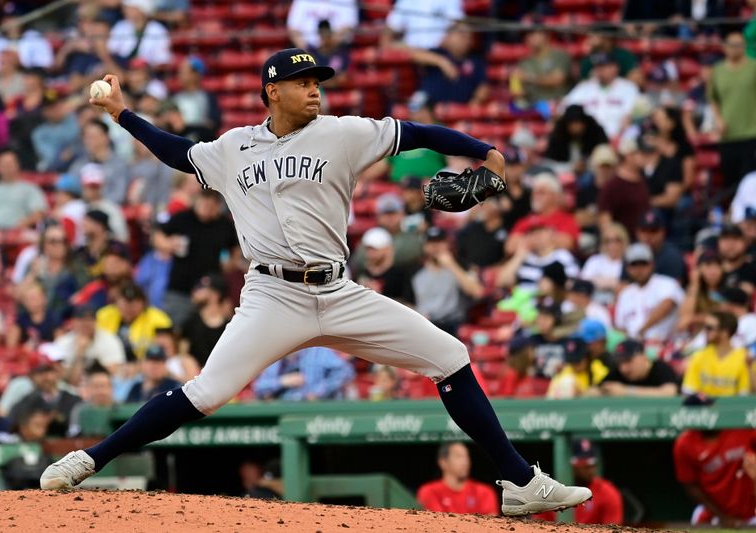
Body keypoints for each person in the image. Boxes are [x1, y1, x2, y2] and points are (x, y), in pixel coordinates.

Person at [41, 48, 592, 517]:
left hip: (338, 291)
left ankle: (519, 483)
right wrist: (122, 113)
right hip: (271, 295)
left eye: (317, 83)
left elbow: (416, 132)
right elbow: (178, 153)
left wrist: (485, 152)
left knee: (450, 355)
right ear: (271, 92)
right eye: (302, 83)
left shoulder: (344, 134)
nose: (314, 92)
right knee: (206, 392)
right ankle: (91, 458)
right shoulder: (233, 148)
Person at [155, 189, 237, 326]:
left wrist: (230, 264)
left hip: (210, 292)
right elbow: (158, 235)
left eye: (210, 206)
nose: (206, 209)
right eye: (203, 204)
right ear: (196, 201)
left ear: (217, 206)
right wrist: (168, 244)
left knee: (208, 331)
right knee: (175, 326)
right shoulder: (183, 218)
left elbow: (235, 248)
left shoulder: (225, 225)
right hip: (180, 288)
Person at [673, 395, 756, 528]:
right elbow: (690, 485)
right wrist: (722, 517)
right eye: (707, 410)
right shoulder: (684, 443)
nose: (714, 412)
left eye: (712, 407)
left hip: (752, 512)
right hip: (713, 514)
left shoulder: (741, 427)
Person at [412, 226, 484, 335]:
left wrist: (451, 265)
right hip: (425, 324)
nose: (435, 246)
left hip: (452, 324)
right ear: (425, 246)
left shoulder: (461, 265)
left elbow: (477, 292)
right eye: (431, 242)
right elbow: (409, 301)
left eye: (439, 242)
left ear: (447, 244)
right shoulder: (415, 271)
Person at [708, 31, 756, 189]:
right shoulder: (717, 71)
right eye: (731, 44)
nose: (735, 48)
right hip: (727, 136)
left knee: (748, 184)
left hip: (751, 134)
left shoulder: (753, 67)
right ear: (724, 47)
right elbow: (712, 98)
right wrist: (718, 119)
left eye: (738, 44)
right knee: (731, 184)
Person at [614, 243, 685, 343]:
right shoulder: (625, 294)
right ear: (628, 268)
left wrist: (640, 331)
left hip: (665, 343)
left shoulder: (667, 283)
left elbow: (667, 305)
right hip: (635, 348)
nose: (639, 269)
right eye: (634, 265)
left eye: (643, 264)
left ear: (652, 264)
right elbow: (620, 327)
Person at [562, 52, 641, 141]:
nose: (599, 69)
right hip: (588, 139)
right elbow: (564, 108)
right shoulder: (584, 88)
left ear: (615, 67)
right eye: (597, 66)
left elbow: (631, 116)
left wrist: (618, 138)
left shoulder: (628, 88)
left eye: (603, 66)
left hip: (619, 138)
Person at [410, 21, 489, 105]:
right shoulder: (438, 53)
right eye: (462, 35)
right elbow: (413, 55)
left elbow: (483, 87)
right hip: (430, 106)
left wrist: (473, 105)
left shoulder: (475, 62)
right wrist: (441, 62)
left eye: (469, 37)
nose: (466, 40)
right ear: (449, 36)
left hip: (459, 111)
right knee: (416, 104)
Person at [8, 354, 83, 438]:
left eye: (49, 371)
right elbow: (12, 425)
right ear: (32, 377)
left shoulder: (72, 400)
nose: (46, 377)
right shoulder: (25, 402)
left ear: (57, 373)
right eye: (40, 373)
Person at [0, 148, 47, 230]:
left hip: (21, 232)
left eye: (10, 163)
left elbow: (39, 213)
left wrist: (21, 225)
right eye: (3, 164)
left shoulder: (30, 188)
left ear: (18, 165)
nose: (7, 167)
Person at [96, 281, 173, 360]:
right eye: (125, 303)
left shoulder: (158, 319)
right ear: (117, 302)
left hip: (146, 363)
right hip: (108, 361)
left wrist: (140, 366)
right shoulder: (104, 315)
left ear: (143, 303)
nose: (129, 308)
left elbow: (166, 350)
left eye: (134, 303)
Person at [417, 442, 499, 515]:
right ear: (443, 462)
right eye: (458, 456)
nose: (465, 462)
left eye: (466, 457)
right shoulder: (429, 491)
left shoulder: (484, 492)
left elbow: (490, 526)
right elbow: (436, 524)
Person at [505, 173, 580, 253]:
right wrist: (547, 239)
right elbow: (510, 247)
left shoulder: (566, 219)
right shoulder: (525, 220)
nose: (536, 196)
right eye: (534, 193)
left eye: (541, 192)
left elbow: (567, 243)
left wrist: (527, 239)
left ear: (555, 196)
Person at [54, 304, 126, 387]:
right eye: (81, 320)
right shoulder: (62, 342)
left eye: (90, 320)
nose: (85, 324)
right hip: (72, 391)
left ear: (96, 322)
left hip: (103, 388)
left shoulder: (110, 340)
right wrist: (80, 352)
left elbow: (114, 373)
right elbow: (68, 380)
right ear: (73, 321)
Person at [682, 311, 751, 397]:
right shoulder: (699, 356)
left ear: (725, 332)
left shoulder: (744, 358)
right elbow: (689, 391)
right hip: (704, 408)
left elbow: (744, 396)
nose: (705, 331)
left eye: (709, 328)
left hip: (732, 409)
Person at [350, 193, 423, 272]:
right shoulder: (371, 235)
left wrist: (377, 258)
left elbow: (410, 254)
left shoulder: (409, 236)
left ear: (402, 214)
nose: (390, 217)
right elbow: (358, 260)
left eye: (393, 213)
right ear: (378, 216)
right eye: (385, 213)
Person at [497, 221, 579, 291]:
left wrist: (554, 288)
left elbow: (572, 284)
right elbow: (502, 282)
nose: (536, 236)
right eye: (532, 233)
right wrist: (519, 256)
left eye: (540, 231)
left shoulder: (562, 256)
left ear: (551, 233)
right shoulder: (526, 258)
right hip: (522, 304)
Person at [252, 347, 355, 401]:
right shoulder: (276, 356)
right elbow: (258, 387)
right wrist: (283, 381)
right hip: (285, 409)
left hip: (317, 410)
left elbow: (346, 371)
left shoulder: (317, 351)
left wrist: (319, 391)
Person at [69, 120, 131, 206]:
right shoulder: (80, 163)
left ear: (106, 137)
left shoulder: (119, 165)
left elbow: (119, 195)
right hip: (81, 207)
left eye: (92, 137)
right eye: (86, 137)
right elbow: (70, 188)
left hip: (107, 209)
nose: (88, 140)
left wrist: (97, 200)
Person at [597, 138, 650, 239]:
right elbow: (605, 219)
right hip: (624, 244)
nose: (644, 156)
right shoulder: (612, 186)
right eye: (640, 153)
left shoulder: (643, 180)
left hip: (644, 240)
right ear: (628, 156)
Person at [351, 227, 415, 305]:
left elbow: (409, 304)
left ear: (388, 249)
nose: (370, 253)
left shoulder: (401, 275)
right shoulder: (361, 274)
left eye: (374, 249)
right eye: (368, 249)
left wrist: (377, 295)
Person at [566, 440, 624, 525]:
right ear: (573, 466)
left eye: (593, 466)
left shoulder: (608, 492)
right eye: (585, 467)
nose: (591, 471)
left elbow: (612, 529)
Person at [181, 274, 233, 367]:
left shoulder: (229, 326)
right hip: (192, 376)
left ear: (215, 294)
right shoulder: (191, 321)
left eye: (201, 287)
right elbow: (183, 355)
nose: (195, 290)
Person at [596, 339, 679, 397]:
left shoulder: (660, 368)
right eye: (620, 363)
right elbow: (594, 390)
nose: (623, 368)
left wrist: (627, 392)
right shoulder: (617, 372)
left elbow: (670, 392)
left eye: (628, 361)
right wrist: (604, 392)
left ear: (643, 357)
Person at [512, 29, 572, 105]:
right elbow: (518, 91)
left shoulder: (559, 55)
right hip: (534, 104)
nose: (529, 38)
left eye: (533, 33)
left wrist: (528, 77)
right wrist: (517, 89)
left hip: (558, 102)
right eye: (526, 35)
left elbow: (557, 80)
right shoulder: (524, 62)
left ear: (545, 35)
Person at [544, 105, 608, 174]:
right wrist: (572, 167)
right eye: (572, 123)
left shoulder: (596, 133)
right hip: (564, 173)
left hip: (593, 172)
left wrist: (587, 164)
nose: (576, 127)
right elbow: (550, 163)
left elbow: (604, 156)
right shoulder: (558, 136)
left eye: (578, 122)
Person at [107, 0, 172, 68]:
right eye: (126, 8)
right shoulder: (120, 26)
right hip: (121, 67)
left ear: (142, 10)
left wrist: (145, 68)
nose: (125, 11)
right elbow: (111, 51)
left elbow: (163, 61)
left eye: (131, 8)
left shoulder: (158, 30)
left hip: (148, 73)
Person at [170, 56, 221, 141]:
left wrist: (187, 126)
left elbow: (213, 123)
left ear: (195, 74)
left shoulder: (208, 98)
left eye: (184, 72)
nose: (179, 76)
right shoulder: (175, 98)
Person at [382, 0, 464, 50]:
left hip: (442, 52)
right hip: (413, 58)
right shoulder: (405, 1)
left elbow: (458, 25)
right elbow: (387, 35)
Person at [635, 209, 687, 282]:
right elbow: (622, 284)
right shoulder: (632, 253)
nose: (648, 236)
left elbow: (675, 288)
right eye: (644, 230)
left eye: (653, 231)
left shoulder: (672, 256)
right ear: (637, 232)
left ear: (663, 232)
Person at [678, 250, 725, 332]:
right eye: (708, 265)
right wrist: (695, 284)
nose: (713, 271)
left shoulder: (729, 290)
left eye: (717, 266)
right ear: (698, 269)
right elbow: (683, 321)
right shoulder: (694, 291)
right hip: (698, 338)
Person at [580, 223, 627, 300]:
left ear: (623, 242)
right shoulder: (594, 261)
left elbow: (626, 287)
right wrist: (613, 283)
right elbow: (583, 283)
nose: (613, 245)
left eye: (616, 240)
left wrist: (597, 280)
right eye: (608, 241)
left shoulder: (627, 263)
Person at [456, 197, 507, 269]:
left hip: (496, 271)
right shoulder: (472, 228)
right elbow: (461, 251)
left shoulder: (506, 230)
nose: (483, 209)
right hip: (471, 271)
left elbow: (507, 254)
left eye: (487, 206)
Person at [67, 363, 117, 437]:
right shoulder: (79, 410)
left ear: (111, 388)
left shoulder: (121, 408)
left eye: (104, 386)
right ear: (88, 389)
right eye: (96, 386)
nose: (101, 390)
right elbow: (72, 434)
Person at [287, 0, 357, 50]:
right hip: (308, 48)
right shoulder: (302, 1)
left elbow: (348, 26)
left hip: (337, 49)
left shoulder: (347, 1)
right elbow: (293, 28)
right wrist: (306, 50)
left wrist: (329, 44)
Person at [717, 224, 756, 295]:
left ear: (745, 243)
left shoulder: (753, 270)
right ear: (719, 243)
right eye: (726, 239)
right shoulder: (712, 270)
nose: (730, 244)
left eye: (735, 239)